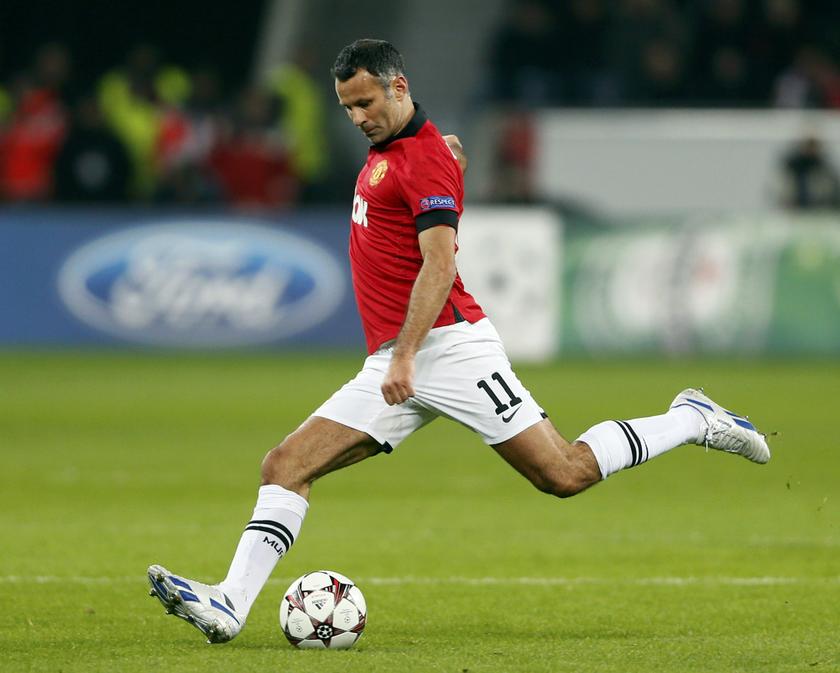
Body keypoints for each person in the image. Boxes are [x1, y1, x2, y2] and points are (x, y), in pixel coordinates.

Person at [147, 39, 771, 644]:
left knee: (563, 472)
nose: (357, 118)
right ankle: (229, 604)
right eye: (348, 107)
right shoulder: (404, 151)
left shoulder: (421, 157)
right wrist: (446, 171)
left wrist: (407, 355)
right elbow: (425, 187)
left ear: (399, 86)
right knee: (285, 466)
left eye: (366, 103)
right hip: (395, 358)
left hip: (449, 349)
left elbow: (440, 264)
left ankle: (691, 419)